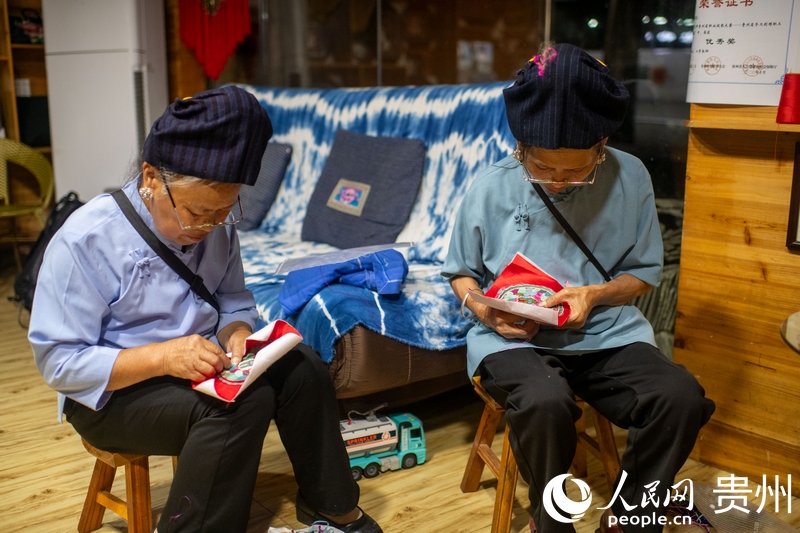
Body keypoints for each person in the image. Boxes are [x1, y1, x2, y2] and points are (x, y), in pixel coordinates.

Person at [29, 86, 383, 533]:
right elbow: (60, 363)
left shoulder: (216, 228)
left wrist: (237, 333)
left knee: (302, 367)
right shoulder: (86, 239)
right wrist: (164, 356)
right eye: (198, 213)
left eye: (223, 213)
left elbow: (233, 298)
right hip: (112, 394)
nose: (209, 227)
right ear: (151, 178)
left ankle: (329, 504)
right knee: (238, 406)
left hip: (197, 369)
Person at [442, 44, 715, 533]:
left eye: (577, 171)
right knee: (546, 401)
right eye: (543, 168)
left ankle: (633, 513)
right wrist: (486, 312)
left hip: (606, 334)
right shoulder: (490, 185)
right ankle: (550, 521)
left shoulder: (632, 177)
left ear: (602, 145)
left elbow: (644, 273)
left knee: (681, 396)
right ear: (521, 146)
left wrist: (594, 295)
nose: (559, 182)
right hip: (513, 340)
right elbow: (460, 273)